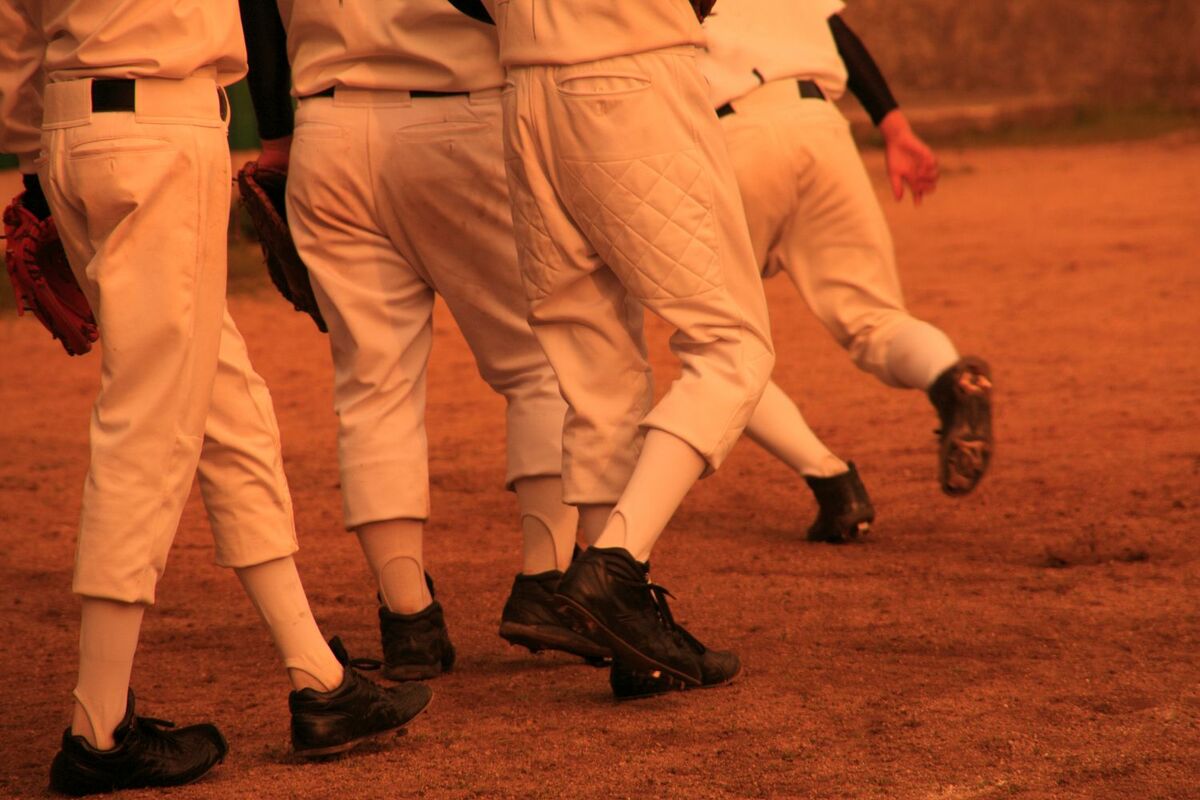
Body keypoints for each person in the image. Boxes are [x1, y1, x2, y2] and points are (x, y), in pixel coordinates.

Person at [0, 2, 430, 793]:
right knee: (147, 422)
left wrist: (35, 157)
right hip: (161, 130)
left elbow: (14, 28)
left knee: (226, 407)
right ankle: (96, 728)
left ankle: (319, 681)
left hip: (70, 133)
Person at [237, 0, 607, 678]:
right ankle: (546, 583)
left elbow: (258, 7)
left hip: (327, 128)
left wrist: (278, 135)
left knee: (373, 386)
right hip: (462, 114)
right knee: (539, 361)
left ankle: (408, 619)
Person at [448, 0, 776, 692]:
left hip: (524, 89)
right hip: (632, 66)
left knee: (593, 360)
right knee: (733, 346)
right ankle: (615, 567)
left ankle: (629, 640)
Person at [701, 0, 995, 515]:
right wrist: (895, 128)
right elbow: (835, 29)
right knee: (877, 320)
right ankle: (951, 380)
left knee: (717, 348)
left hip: (731, 136)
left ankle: (833, 484)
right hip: (821, 127)